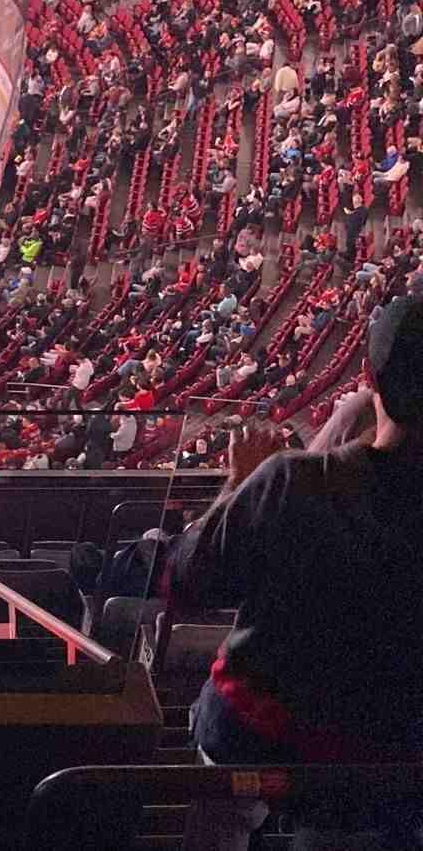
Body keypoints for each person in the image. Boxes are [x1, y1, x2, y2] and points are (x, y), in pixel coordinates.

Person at [170, 295, 423, 851]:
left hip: (260, 737)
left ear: (369, 378)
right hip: (401, 757)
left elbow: (186, 583)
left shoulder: (292, 483)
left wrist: (238, 485)